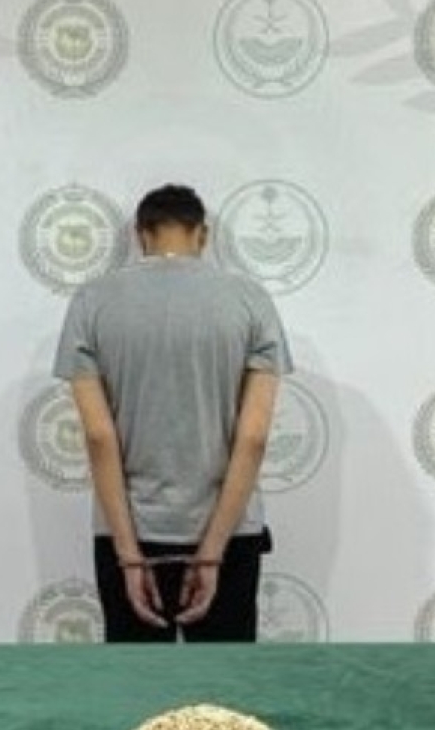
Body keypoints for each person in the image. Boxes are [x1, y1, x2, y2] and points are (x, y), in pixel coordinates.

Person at [53, 184, 293, 642]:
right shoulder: (250, 299)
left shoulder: (92, 301)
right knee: (225, 683)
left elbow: (100, 438)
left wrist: (129, 558)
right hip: (230, 535)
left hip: (129, 534)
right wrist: (212, 553)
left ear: (140, 234)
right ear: (203, 234)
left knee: (138, 682)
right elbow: (254, 438)